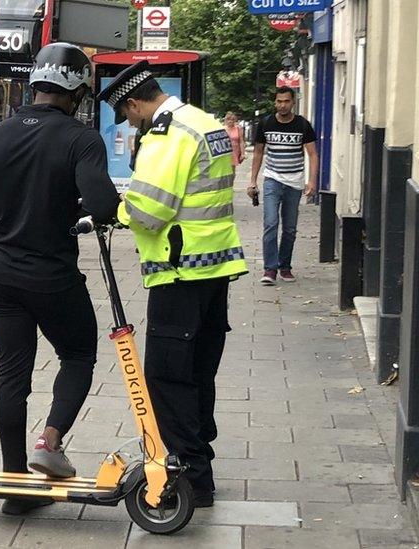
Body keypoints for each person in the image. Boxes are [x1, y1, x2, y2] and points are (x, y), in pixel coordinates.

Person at [0, 42, 120, 515]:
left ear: (35, 83)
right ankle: (49, 443)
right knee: (78, 354)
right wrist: (72, 208)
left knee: (12, 375)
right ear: (77, 90)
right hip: (53, 278)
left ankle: (14, 487)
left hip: (1, 277)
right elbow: (105, 206)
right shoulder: (80, 139)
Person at [97, 60, 248, 508]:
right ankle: (202, 466)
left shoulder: (168, 134)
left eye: (129, 116)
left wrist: (110, 213)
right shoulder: (205, 123)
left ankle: (187, 478)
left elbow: (149, 209)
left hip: (178, 271)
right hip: (214, 267)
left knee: (167, 378)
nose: (132, 123)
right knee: (201, 372)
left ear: (134, 102)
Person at [249, 87, 318, 285]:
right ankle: (270, 269)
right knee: (271, 223)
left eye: (286, 101)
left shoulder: (302, 125)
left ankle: (285, 266)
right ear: (275, 102)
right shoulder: (266, 123)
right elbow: (258, 152)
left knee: (289, 228)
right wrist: (253, 180)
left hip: (294, 181)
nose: (282, 105)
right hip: (272, 179)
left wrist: (311, 181)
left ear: (293, 102)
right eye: (279, 101)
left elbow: (312, 154)